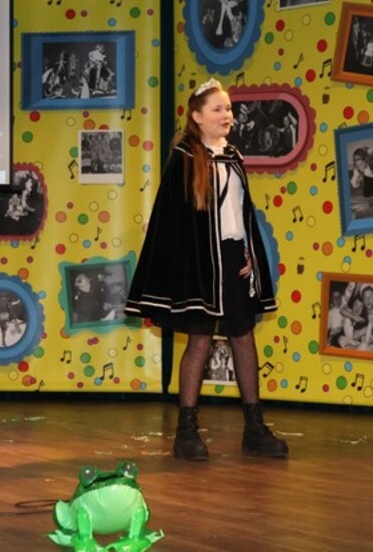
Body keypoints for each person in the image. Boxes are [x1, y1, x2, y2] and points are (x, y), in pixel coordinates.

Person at [126, 78, 288, 461]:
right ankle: (186, 431)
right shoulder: (184, 157)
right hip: (199, 260)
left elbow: (241, 213)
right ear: (197, 116)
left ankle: (255, 428)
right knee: (199, 338)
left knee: (243, 336)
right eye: (218, 109)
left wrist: (248, 251)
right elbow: (172, 219)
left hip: (231, 258)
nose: (227, 115)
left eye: (229, 109)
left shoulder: (232, 156)